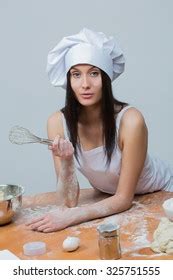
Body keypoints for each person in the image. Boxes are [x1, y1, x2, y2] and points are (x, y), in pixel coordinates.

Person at [26, 28, 173, 233]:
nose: (85, 84)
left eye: (94, 73)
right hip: (112, 201)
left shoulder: (131, 121)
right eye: (76, 75)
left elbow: (123, 198)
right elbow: (69, 202)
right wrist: (67, 161)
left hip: (164, 195)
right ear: (68, 80)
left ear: (106, 78)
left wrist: (73, 217)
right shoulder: (57, 122)